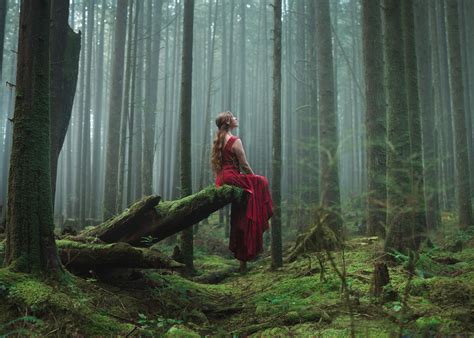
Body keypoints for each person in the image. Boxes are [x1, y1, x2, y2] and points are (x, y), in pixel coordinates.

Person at [211, 111, 273, 273]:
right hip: (232, 178)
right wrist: (253, 179)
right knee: (262, 182)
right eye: (233, 118)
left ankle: (242, 260)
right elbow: (244, 165)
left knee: (242, 210)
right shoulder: (234, 140)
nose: (236, 119)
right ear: (228, 122)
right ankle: (261, 217)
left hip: (221, 179)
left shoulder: (218, 139)